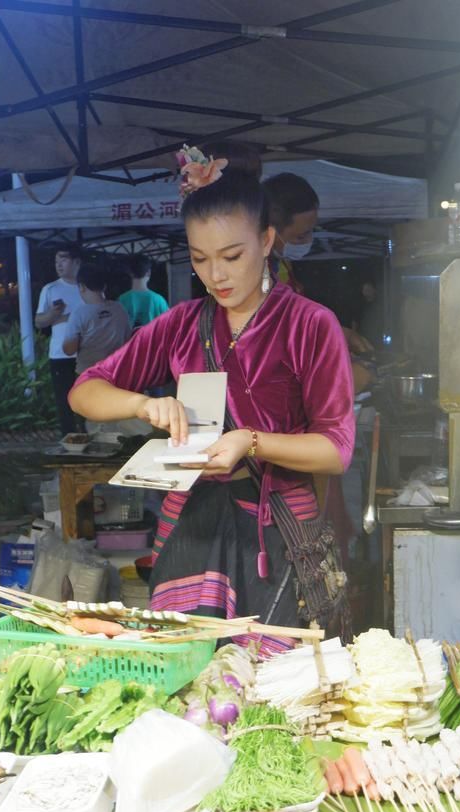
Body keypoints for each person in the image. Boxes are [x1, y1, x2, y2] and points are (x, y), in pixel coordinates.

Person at [69, 150, 355, 650]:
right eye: (200, 259)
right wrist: (141, 404)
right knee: (189, 677)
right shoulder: (181, 324)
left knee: (276, 691)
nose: (216, 275)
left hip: (279, 532)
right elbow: (85, 392)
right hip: (191, 528)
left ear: (266, 241)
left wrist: (251, 441)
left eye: (232, 256)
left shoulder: (309, 324)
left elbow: (336, 450)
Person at [263, 172, 374, 359]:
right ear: (269, 232)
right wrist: (330, 333)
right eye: (300, 236)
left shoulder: (280, 263)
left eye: (311, 231)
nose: (309, 240)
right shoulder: (252, 272)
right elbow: (273, 327)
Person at [35, 244, 85, 436]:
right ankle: (69, 438)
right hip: (60, 354)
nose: (59, 265)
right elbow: (39, 321)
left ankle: (88, 434)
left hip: (86, 354)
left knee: (87, 397)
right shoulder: (51, 289)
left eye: (63, 260)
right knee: (64, 399)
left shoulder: (87, 287)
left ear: (77, 262)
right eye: (56, 261)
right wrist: (54, 314)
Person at [62, 263, 132, 374]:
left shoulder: (79, 313)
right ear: (104, 286)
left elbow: (69, 350)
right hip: (117, 371)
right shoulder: (119, 308)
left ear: (81, 286)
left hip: (90, 374)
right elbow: (128, 339)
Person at [118, 253, 168, 329]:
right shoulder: (159, 300)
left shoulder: (121, 300)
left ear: (130, 273)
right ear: (148, 273)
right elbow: (168, 326)